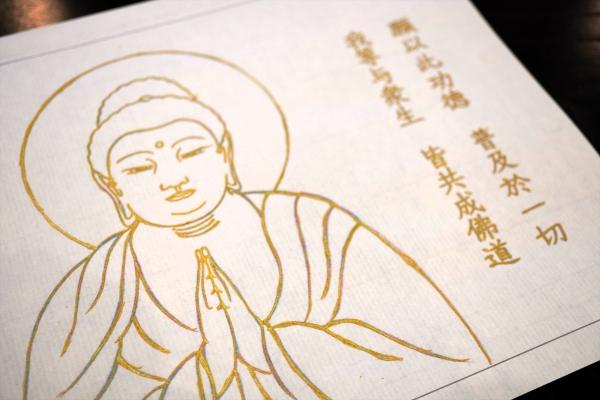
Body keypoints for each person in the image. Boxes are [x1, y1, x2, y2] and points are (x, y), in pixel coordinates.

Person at [24, 76, 491, 399]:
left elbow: (440, 348)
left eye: (191, 151)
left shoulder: (310, 224)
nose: (172, 178)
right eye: (139, 167)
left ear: (225, 155)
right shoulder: (100, 283)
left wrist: (267, 347)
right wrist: (210, 368)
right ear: (112, 188)